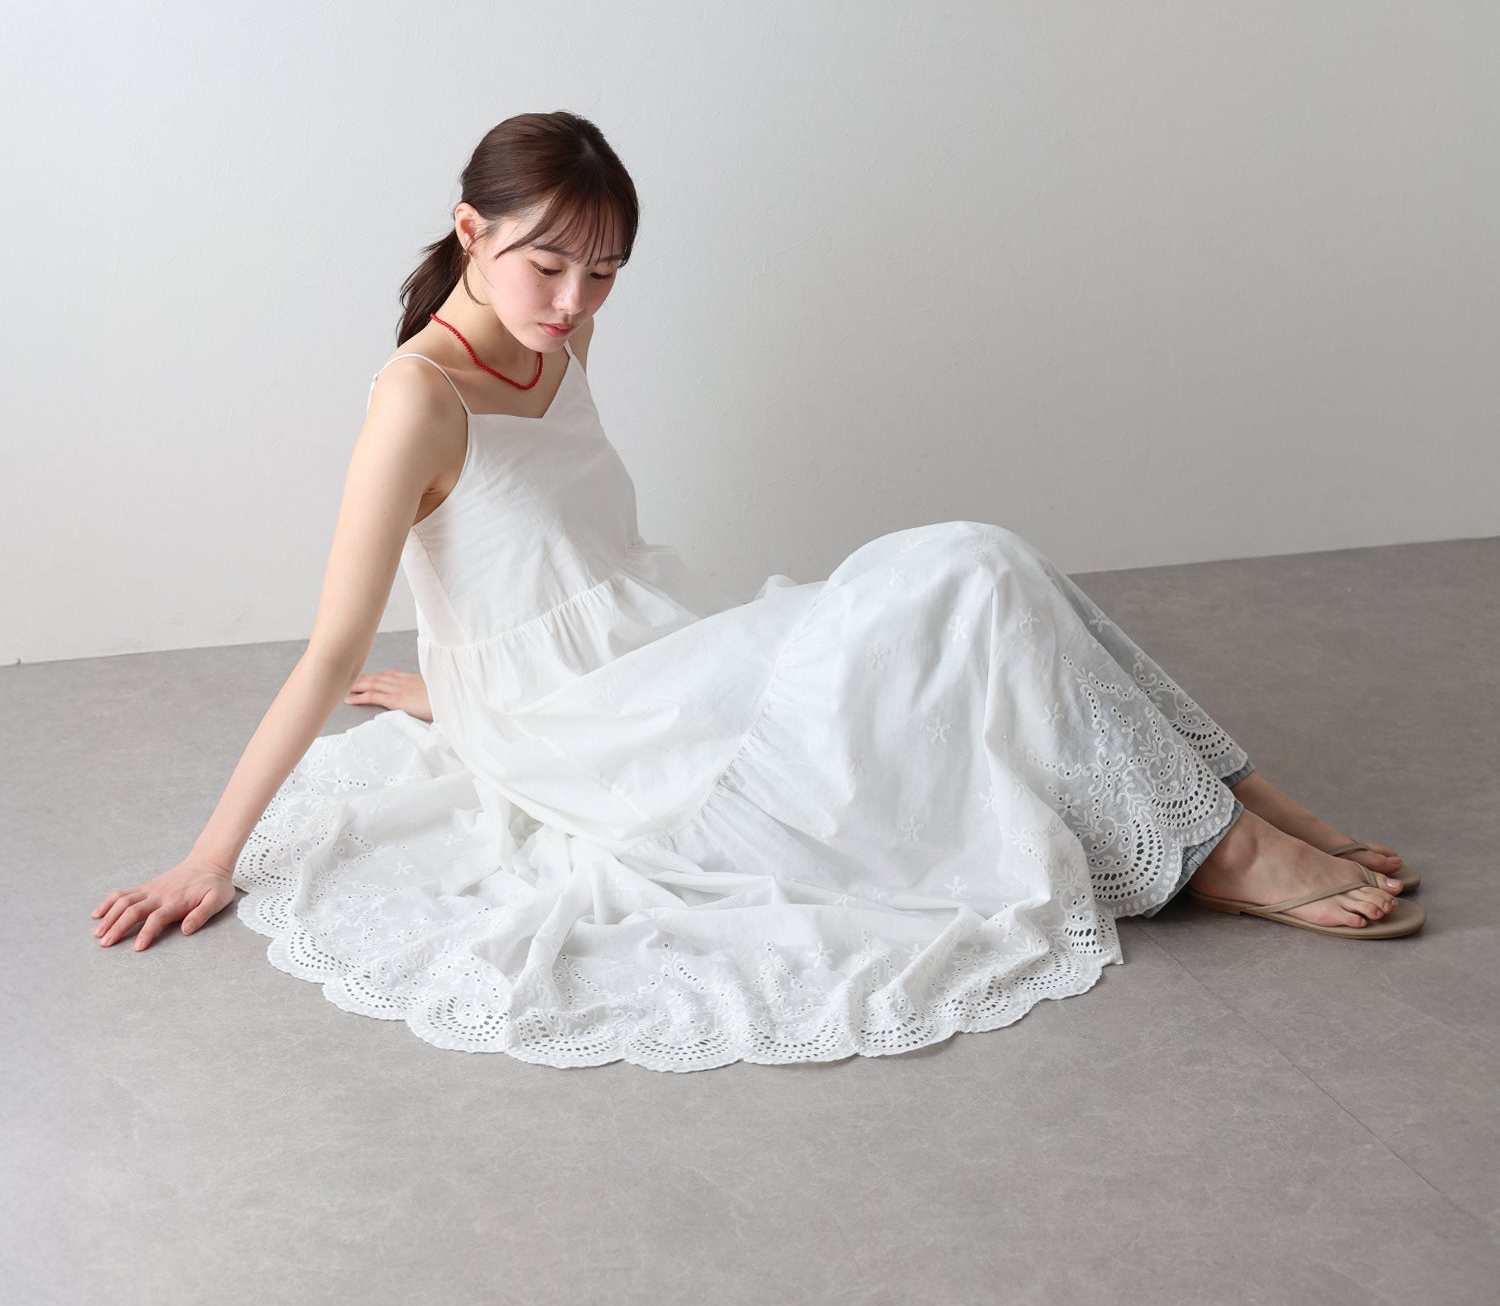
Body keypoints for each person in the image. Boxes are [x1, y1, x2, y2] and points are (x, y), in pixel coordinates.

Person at [89, 110, 1424, 1069]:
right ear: (469, 231)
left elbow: (533, 559)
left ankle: (1225, 798)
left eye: (603, 271)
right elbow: (331, 649)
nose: (574, 299)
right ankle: (1224, 851)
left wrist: (456, 687)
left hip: (668, 654)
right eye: (546, 264)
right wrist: (212, 858)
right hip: (608, 736)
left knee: (994, 566)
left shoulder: (558, 338)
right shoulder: (415, 399)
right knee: (965, 569)